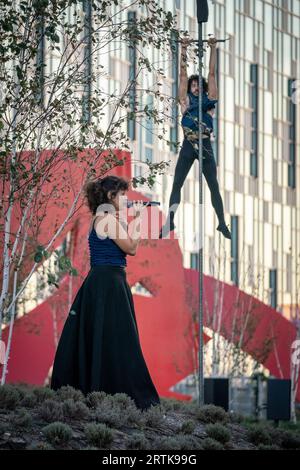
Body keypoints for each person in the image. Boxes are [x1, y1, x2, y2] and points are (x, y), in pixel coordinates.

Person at [50, 175, 160, 411]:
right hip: (109, 282)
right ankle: (125, 396)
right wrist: (139, 218)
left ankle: (101, 392)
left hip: (103, 282)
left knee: (106, 339)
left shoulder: (103, 219)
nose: (126, 198)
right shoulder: (108, 220)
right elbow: (131, 247)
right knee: (120, 340)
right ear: (111, 196)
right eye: (122, 194)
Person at [159, 36, 231, 240]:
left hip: (205, 144)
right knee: (177, 184)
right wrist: (183, 48)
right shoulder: (185, 100)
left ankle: (222, 223)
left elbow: (211, 73)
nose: (196, 87)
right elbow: (182, 75)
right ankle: (170, 221)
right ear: (190, 88)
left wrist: (213, 48)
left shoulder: (210, 99)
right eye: (193, 85)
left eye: (200, 85)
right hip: (189, 144)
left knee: (213, 185)